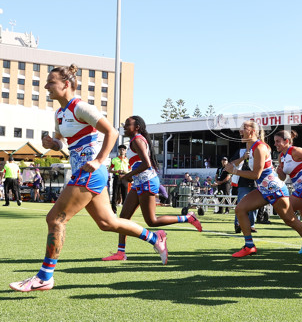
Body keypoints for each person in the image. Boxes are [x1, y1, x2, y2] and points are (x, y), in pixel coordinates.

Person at [10, 65, 168, 292]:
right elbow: (61, 143)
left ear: (66, 84)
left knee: (55, 219)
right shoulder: (59, 114)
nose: (46, 86)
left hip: (91, 172)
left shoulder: (80, 107)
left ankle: (45, 277)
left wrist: (99, 159)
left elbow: (111, 132)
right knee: (108, 223)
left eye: (50, 82)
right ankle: (155, 238)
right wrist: (51, 144)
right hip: (83, 172)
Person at [102, 116, 203, 263]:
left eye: (127, 124)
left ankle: (188, 218)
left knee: (152, 221)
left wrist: (128, 175)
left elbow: (146, 164)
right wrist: (132, 176)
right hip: (139, 183)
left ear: (137, 127)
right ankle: (121, 252)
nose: (124, 126)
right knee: (123, 218)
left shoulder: (137, 140)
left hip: (147, 183)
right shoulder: (135, 140)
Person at [224, 120, 302, 267]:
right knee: (240, 209)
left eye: (243, 128)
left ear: (252, 131)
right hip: (264, 189)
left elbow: (256, 175)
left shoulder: (260, 148)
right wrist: (238, 162)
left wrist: (235, 171)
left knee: (291, 221)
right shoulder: (249, 146)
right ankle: (249, 246)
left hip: (275, 189)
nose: (240, 131)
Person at [233, 152, 258, 234]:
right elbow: (232, 164)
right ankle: (238, 224)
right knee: (240, 203)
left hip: (255, 182)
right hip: (243, 182)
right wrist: (243, 157)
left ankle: (251, 225)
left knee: (255, 205)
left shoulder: (259, 150)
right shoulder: (241, 151)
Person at [109, 144, 129, 214]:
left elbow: (131, 169)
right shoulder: (114, 159)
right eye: (120, 149)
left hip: (125, 178)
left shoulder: (128, 160)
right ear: (118, 150)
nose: (122, 151)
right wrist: (117, 171)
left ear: (126, 151)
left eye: (123, 149)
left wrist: (126, 172)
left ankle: (125, 210)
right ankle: (113, 211)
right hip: (117, 177)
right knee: (115, 194)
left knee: (125, 195)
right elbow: (110, 169)